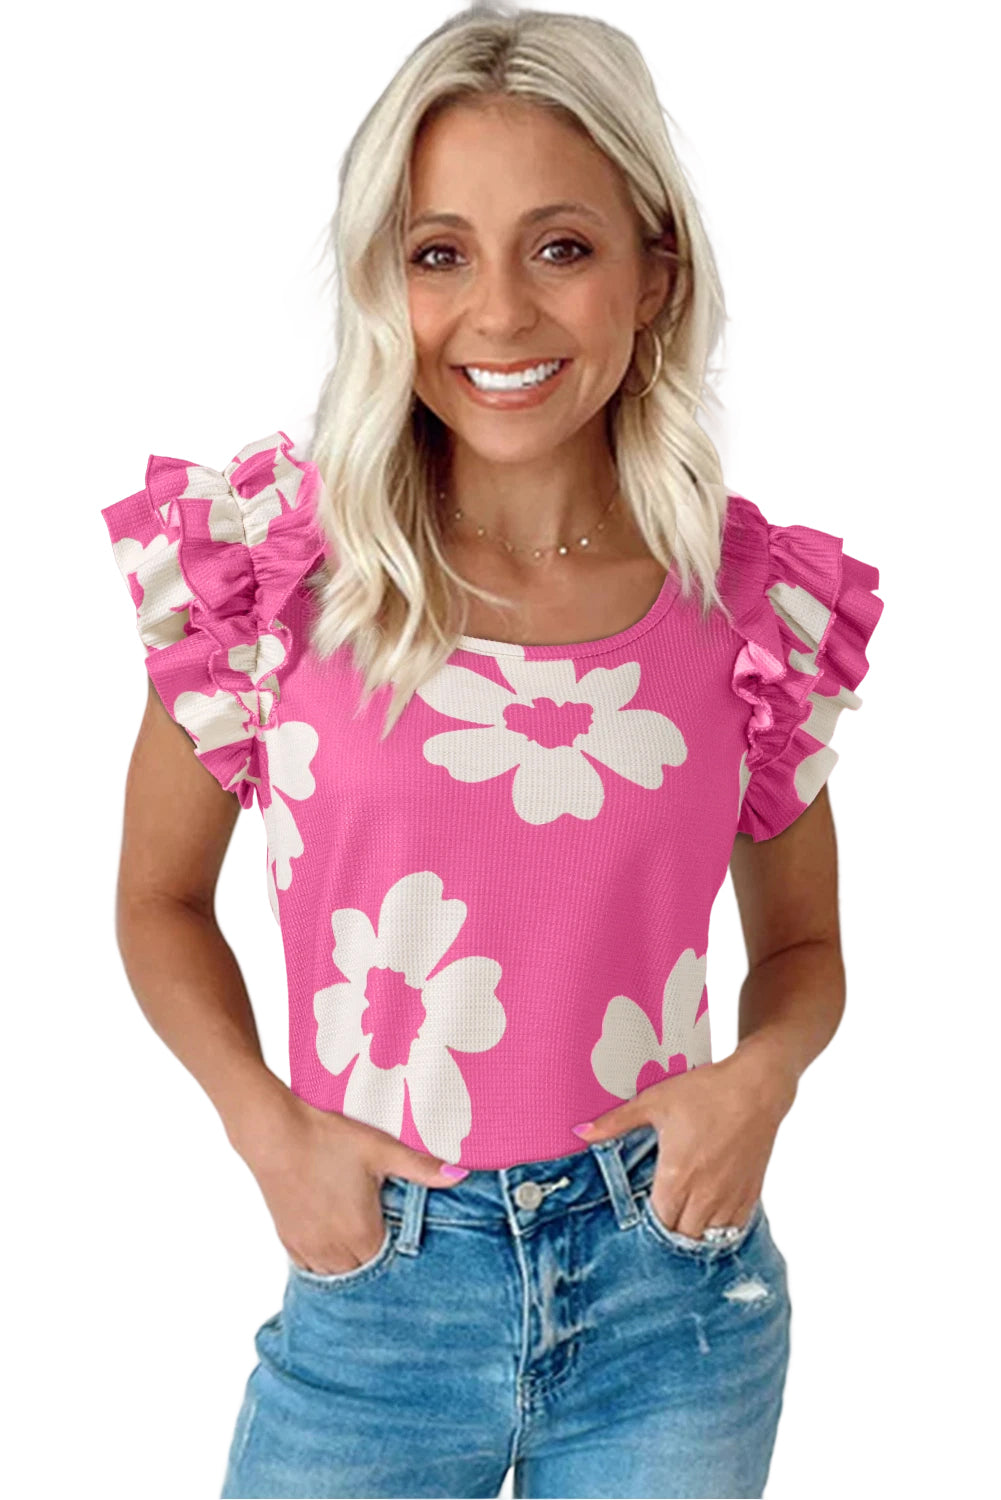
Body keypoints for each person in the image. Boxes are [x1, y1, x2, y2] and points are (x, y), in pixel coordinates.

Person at [99, 4, 884, 1497]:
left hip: (675, 1301)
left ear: (654, 274)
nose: (501, 314)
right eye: (439, 253)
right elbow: (156, 901)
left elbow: (805, 949)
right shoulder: (279, 575)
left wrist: (758, 1081)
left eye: (561, 248)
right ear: (383, 281)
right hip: (376, 1295)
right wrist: (268, 1133)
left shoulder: (747, 612)